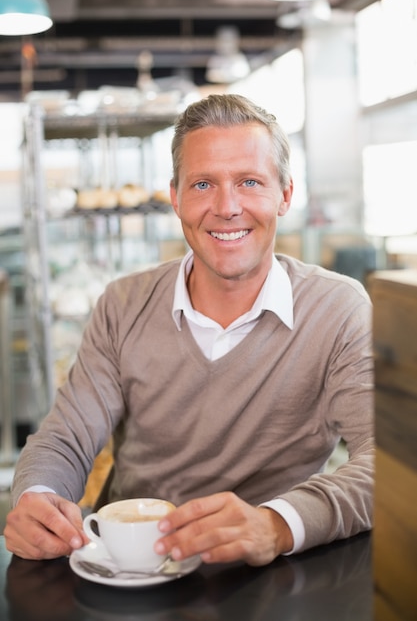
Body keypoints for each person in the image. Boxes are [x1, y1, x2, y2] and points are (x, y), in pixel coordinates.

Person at [4, 93, 374, 566]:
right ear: (175, 197)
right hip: (132, 569)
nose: (226, 207)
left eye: (249, 181)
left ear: (284, 195)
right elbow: (66, 439)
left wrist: (277, 525)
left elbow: (386, 461)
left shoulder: (337, 309)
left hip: (271, 575)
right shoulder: (123, 304)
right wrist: (37, 497)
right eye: (203, 184)